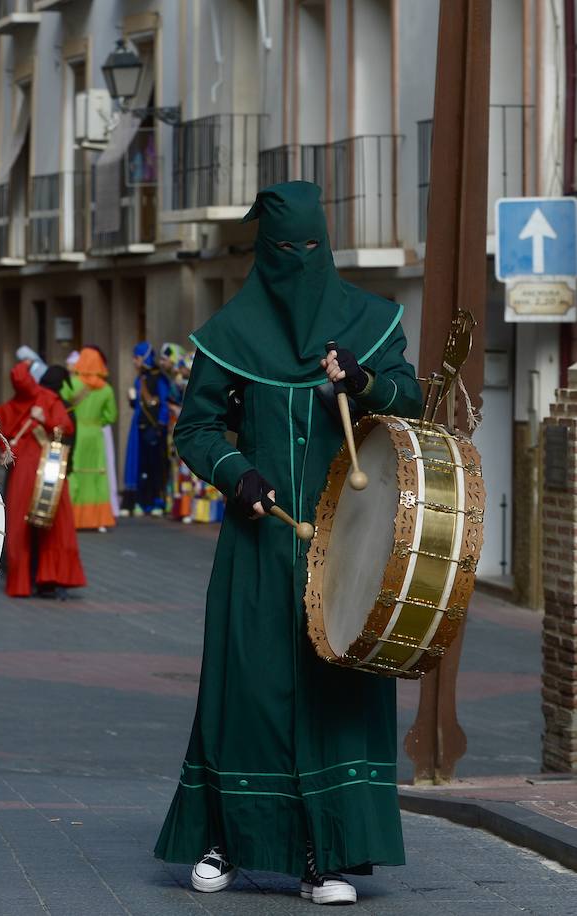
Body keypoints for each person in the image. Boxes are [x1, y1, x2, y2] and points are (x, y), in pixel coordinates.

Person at [153, 182, 423, 906]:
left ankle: (327, 857)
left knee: (336, 691)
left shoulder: (369, 321)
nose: (298, 262)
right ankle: (223, 840)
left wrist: (365, 380)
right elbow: (196, 428)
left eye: (310, 248)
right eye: (284, 250)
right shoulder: (232, 333)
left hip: (350, 542)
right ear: (263, 253)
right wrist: (236, 473)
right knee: (248, 690)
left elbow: (410, 398)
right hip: (259, 544)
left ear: (325, 245)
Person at [0, 360, 86, 599]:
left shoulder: (23, 402)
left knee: (24, 523)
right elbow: (65, 427)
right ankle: (46, 578)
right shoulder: (44, 399)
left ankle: (26, 580)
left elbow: (62, 427)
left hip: (35, 466)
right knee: (50, 522)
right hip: (44, 466)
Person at [62, 347, 119, 531]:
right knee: (97, 475)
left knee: (75, 473)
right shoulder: (107, 389)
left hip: (77, 433)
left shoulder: (71, 384)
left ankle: (74, 519)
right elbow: (111, 416)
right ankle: (99, 520)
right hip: (95, 435)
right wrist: (97, 422)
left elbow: (61, 405)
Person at [121, 342, 171, 516]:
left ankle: (157, 501)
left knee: (155, 465)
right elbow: (139, 405)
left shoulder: (159, 378)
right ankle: (142, 502)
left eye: (137, 358)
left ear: (144, 357)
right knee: (141, 465)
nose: (134, 361)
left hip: (154, 427)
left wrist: (161, 425)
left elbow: (164, 403)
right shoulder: (140, 378)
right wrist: (132, 399)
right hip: (140, 426)